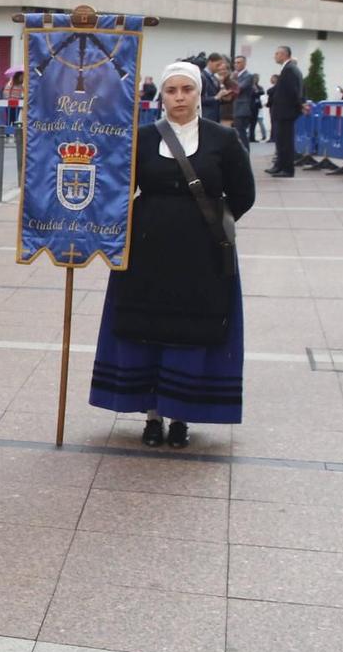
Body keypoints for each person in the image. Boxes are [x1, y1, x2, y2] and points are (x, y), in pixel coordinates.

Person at [90, 63, 256, 448]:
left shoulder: (224, 140)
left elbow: (244, 194)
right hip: (147, 252)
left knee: (190, 332)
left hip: (202, 255)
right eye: (171, 90)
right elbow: (117, 187)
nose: (179, 97)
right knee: (148, 329)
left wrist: (209, 225)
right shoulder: (143, 139)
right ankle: (152, 415)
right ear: (160, 96)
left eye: (187, 90)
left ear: (200, 93)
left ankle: (180, 415)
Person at [265, 45, 306, 176]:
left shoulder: (290, 69)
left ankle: (287, 169)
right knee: (281, 140)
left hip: (286, 112)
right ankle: (279, 165)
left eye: (277, 54)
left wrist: (299, 105)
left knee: (286, 142)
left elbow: (293, 91)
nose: (275, 56)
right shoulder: (289, 69)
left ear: (284, 55)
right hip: (283, 111)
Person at [230, 55, 260, 146]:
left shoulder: (248, 76)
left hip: (242, 108)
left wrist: (232, 79)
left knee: (241, 133)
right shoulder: (236, 75)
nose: (236, 64)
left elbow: (239, 88)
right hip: (235, 107)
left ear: (244, 63)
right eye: (235, 63)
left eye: (239, 62)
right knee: (237, 133)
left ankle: (245, 154)